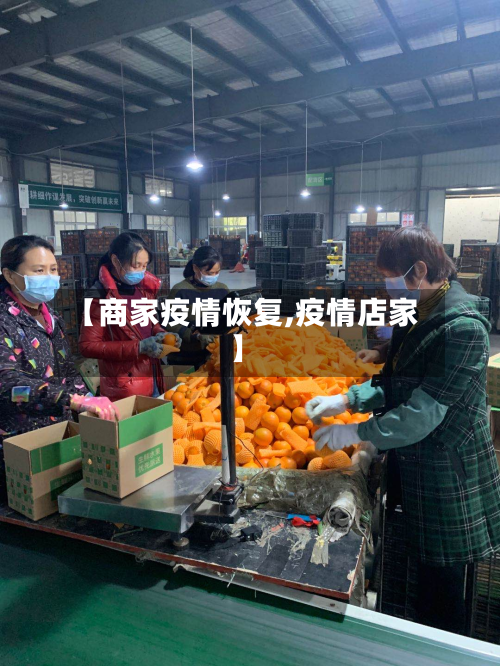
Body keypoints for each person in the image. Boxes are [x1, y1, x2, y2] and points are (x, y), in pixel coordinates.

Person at [306, 226, 500, 635]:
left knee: (443, 585)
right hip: (416, 459)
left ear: (420, 270)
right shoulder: (420, 311)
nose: (388, 289)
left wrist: (354, 433)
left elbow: (421, 413)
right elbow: (397, 381)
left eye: (392, 279)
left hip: (448, 471)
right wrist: (347, 399)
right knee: (420, 572)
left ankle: (444, 649)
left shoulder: (464, 329)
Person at [0, 236, 117, 496]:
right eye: (38, 270)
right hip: (20, 443)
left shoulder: (50, 315)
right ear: (9, 275)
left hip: (59, 435)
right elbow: (8, 385)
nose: (49, 277)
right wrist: (72, 399)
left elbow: (66, 370)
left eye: (53, 269)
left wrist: (89, 398)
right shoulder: (4, 320)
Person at [79, 232, 178, 401]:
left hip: (152, 376)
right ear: (115, 261)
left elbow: (149, 324)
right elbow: (88, 346)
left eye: (144, 266)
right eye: (136, 265)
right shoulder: (99, 296)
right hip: (124, 386)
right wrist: (138, 348)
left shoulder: (143, 289)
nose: (141, 272)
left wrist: (162, 334)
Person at [163, 246, 228, 368]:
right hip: (185, 358)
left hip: (213, 357)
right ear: (195, 268)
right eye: (209, 273)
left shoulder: (222, 290)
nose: (214, 276)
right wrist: (195, 335)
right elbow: (169, 322)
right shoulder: (180, 290)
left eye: (217, 272)